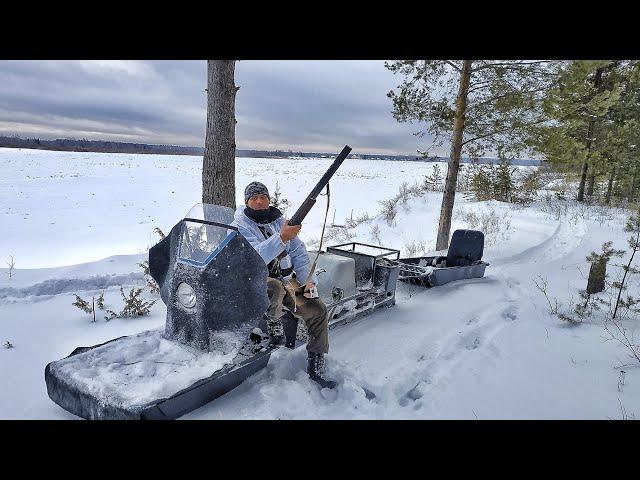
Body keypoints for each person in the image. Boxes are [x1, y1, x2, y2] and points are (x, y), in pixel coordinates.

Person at [232, 181, 337, 389]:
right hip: (256, 283)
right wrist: (281, 238)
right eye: (254, 198)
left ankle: (316, 365)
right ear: (246, 202)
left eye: (264, 197)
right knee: (275, 288)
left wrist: (308, 281)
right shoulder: (239, 226)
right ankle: (273, 327)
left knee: (318, 310)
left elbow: (299, 252)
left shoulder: (278, 221)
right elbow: (255, 258)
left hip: (287, 281)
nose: (260, 201)